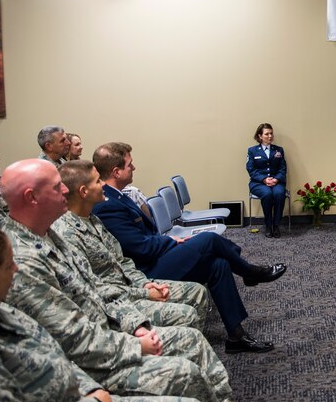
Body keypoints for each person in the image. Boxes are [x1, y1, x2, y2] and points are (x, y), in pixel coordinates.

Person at [0, 159, 289, 402]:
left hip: (112, 325)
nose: (66, 190)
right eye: (56, 186)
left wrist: (136, 320)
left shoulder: (51, 235)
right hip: (94, 358)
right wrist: (135, 341)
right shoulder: (23, 259)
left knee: (212, 274)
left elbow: (101, 286)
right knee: (187, 359)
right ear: (31, 197)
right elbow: (69, 337)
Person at [0, 227, 212, 402]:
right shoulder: (32, 263)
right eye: (9, 265)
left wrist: (91, 391)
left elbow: (58, 353)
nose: (16, 269)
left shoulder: (5, 312)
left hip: (84, 391)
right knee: (186, 376)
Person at [92, 142, 287, 353]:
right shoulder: (107, 205)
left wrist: (168, 243)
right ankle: (250, 272)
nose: (134, 168)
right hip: (145, 273)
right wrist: (170, 242)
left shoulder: (118, 195)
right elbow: (139, 248)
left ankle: (236, 336)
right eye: (130, 164)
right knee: (208, 240)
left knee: (219, 264)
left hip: (155, 257)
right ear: (116, 171)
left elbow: (145, 239)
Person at [54, 160, 209, 330]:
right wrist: (145, 293)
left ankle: (183, 351)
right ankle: (177, 349)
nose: (103, 184)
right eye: (98, 181)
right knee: (186, 314)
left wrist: (144, 284)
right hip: (112, 304)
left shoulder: (93, 220)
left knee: (197, 291)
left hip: (130, 287)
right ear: (84, 191)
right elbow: (94, 288)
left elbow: (122, 261)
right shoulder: (67, 233)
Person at [247, 123, 287, 238]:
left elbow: (282, 168)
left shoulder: (279, 150)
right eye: (267, 134)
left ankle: (276, 225)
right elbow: (251, 169)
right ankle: (268, 225)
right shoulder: (252, 151)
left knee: (279, 193)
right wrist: (264, 179)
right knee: (267, 194)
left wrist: (276, 179)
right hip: (258, 183)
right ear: (260, 136)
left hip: (276, 182)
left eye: (271, 133)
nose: (270, 136)